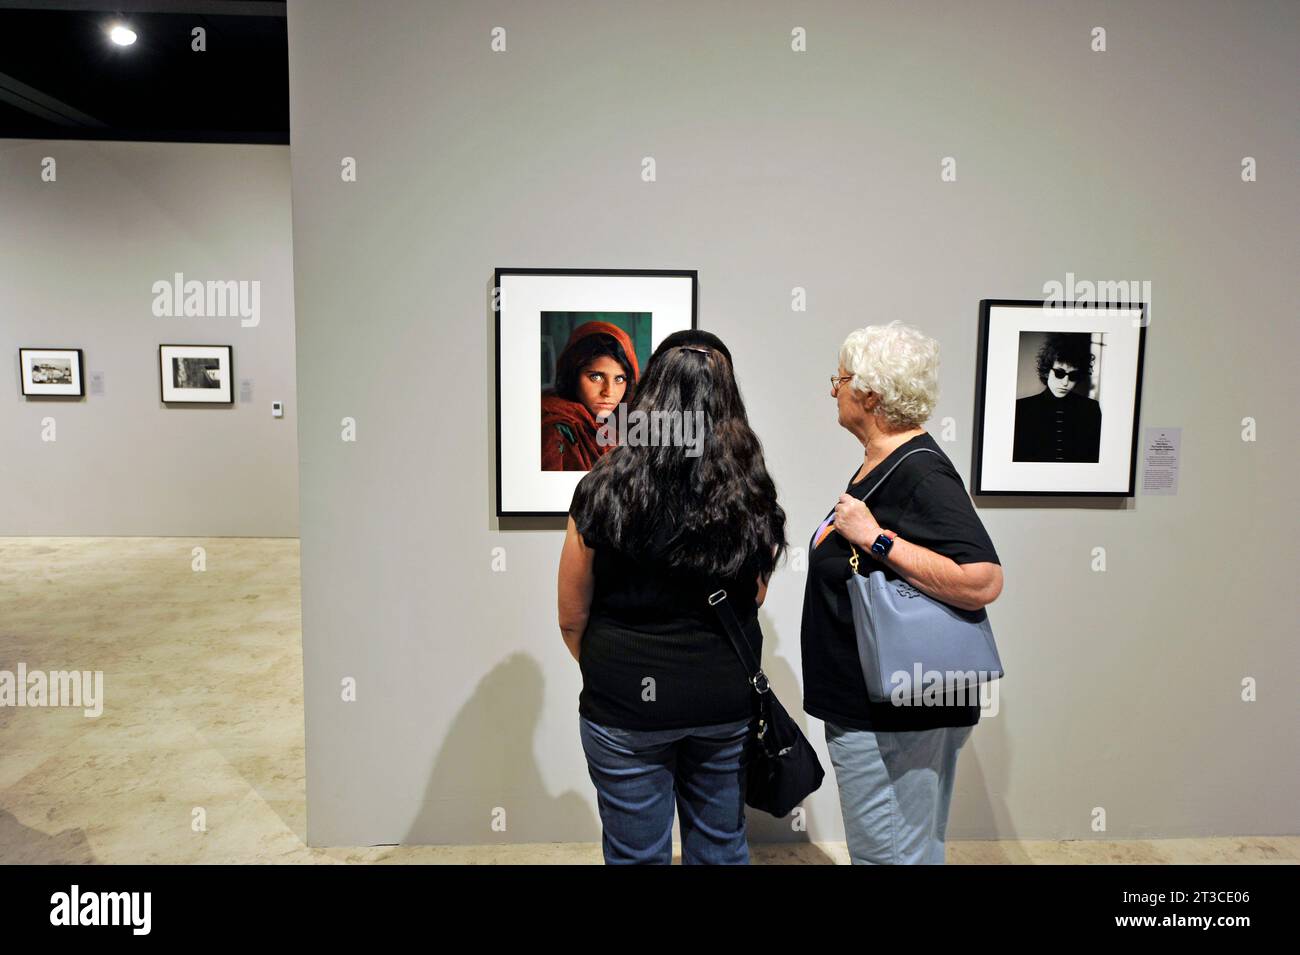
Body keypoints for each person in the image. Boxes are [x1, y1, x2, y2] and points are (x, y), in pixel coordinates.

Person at [557, 329, 785, 865]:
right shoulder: (750, 492)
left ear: (649, 397)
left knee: (637, 856)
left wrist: (615, 672)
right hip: (721, 700)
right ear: (728, 402)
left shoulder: (602, 487)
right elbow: (753, 595)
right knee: (722, 848)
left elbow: (572, 616)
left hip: (623, 706)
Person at [801, 321, 1004, 864]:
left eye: (839, 378)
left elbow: (983, 579)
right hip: (879, 706)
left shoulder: (920, 471)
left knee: (890, 857)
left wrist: (876, 539)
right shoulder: (884, 463)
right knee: (902, 853)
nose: (832, 390)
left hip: (894, 717)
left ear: (869, 392)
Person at [541, 321, 640, 471]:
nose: (609, 392)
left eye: (619, 379)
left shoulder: (619, 429)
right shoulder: (554, 431)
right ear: (572, 375)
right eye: (596, 377)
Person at [1011, 332, 1102, 462]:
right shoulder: (1020, 409)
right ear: (1047, 371)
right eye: (1059, 373)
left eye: (1073, 376)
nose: (1065, 382)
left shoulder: (1091, 409)